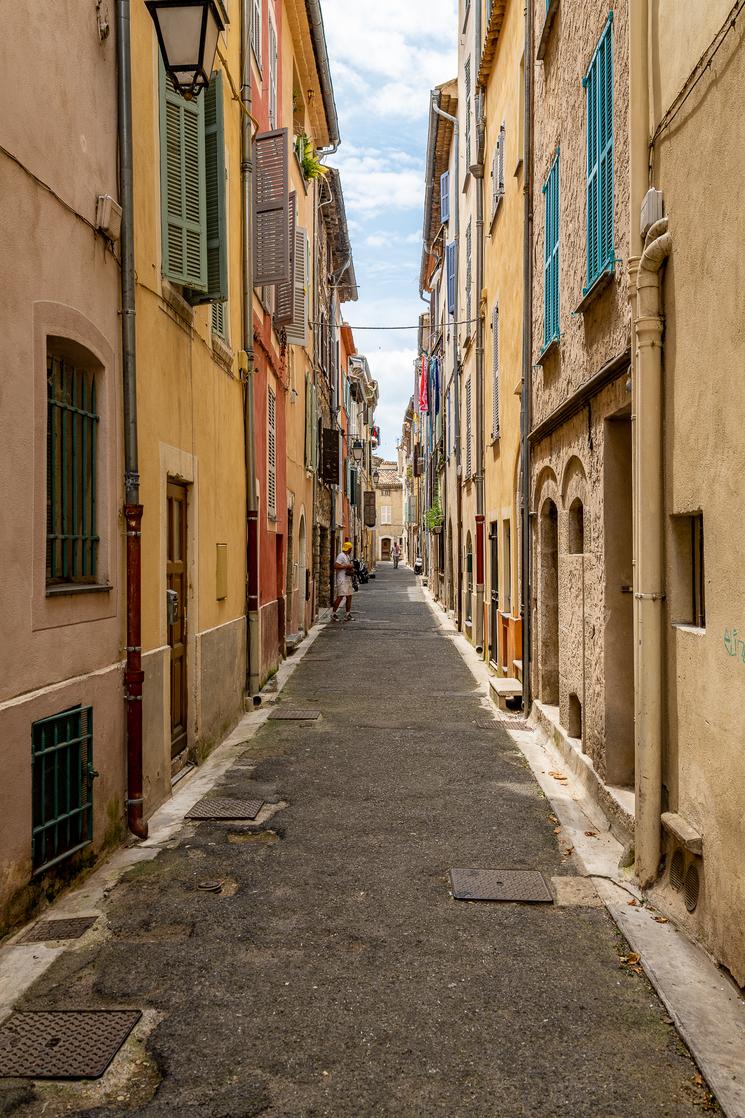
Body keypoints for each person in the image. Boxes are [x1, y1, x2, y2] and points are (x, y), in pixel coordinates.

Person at [332, 541, 355, 621]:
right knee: (340, 597)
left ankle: (347, 614)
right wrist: (347, 566)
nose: (351, 550)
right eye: (350, 548)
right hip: (341, 579)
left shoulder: (347, 556)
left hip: (347, 579)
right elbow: (336, 565)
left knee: (349, 596)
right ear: (348, 548)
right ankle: (333, 613)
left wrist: (351, 568)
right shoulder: (341, 555)